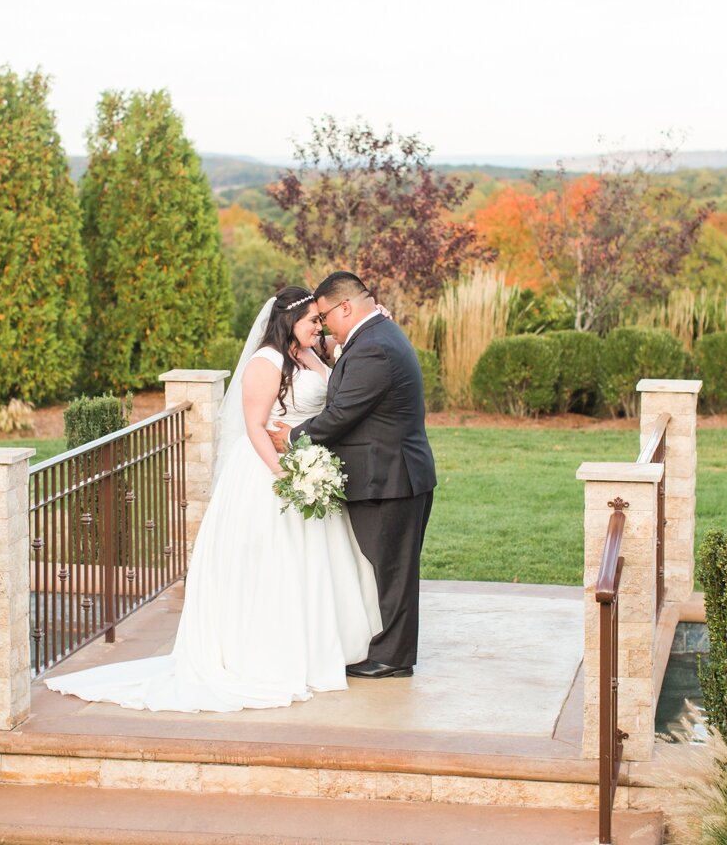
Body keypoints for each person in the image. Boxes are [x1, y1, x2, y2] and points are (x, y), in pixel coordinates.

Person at [44, 286, 381, 712]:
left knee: (313, 562)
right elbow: (255, 426)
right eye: (313, 320)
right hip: (268, 473)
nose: (319, 326)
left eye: (320, 320)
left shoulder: (310, 356)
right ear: (289, 321)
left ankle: (321, 648)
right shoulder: (267, 361)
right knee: (273, 563)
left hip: (304, 459)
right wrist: (285, 477)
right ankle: (270, 653)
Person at [271, 271, 437, 679]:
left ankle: (393, 659)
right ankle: (390, 650)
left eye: (326, 316)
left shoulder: (374, 348)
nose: (324, 327)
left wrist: (293, 436)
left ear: (346, 307)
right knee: (389, 569)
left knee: (394, 571)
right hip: (391, 475)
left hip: (390, 479)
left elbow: (343, 413)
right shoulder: (374, 334)